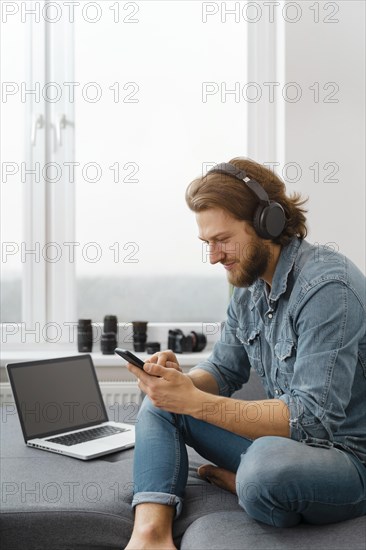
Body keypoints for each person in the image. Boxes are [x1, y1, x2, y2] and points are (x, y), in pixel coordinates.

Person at [124, 157, 366, 550]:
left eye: (222, 240)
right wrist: (181, 385)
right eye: (207, 244)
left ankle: (247, 483)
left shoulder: (328, 288)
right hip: (287, 448)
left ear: (266, 222)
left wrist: (196, 403)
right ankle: (150, 534)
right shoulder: (249, 285)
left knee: (265, 470)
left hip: (347, 460)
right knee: (161, 401)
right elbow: (223, 368)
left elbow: (311, 424)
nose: (215, 256)